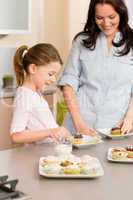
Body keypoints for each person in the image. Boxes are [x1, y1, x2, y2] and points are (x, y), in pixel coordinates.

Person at [58, 0, 133, 136]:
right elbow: (69, 82)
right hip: (79, 124)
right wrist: (78, 122)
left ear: (121, 13)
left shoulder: (131, 42)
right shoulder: (81, 41)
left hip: (117, 126)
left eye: (111, 17)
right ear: (93, 16)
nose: (106, 23)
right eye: (99, 18)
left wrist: (130, 119)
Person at [10, 43, 71, 144]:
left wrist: (59, 131)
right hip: (36, 156)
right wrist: (51, 132)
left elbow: (44, 125)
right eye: (50, 74)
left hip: (48, 152)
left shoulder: (35, 94)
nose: (53, 79)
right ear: (33, 68)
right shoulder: (24, 96)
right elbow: (16, 136)